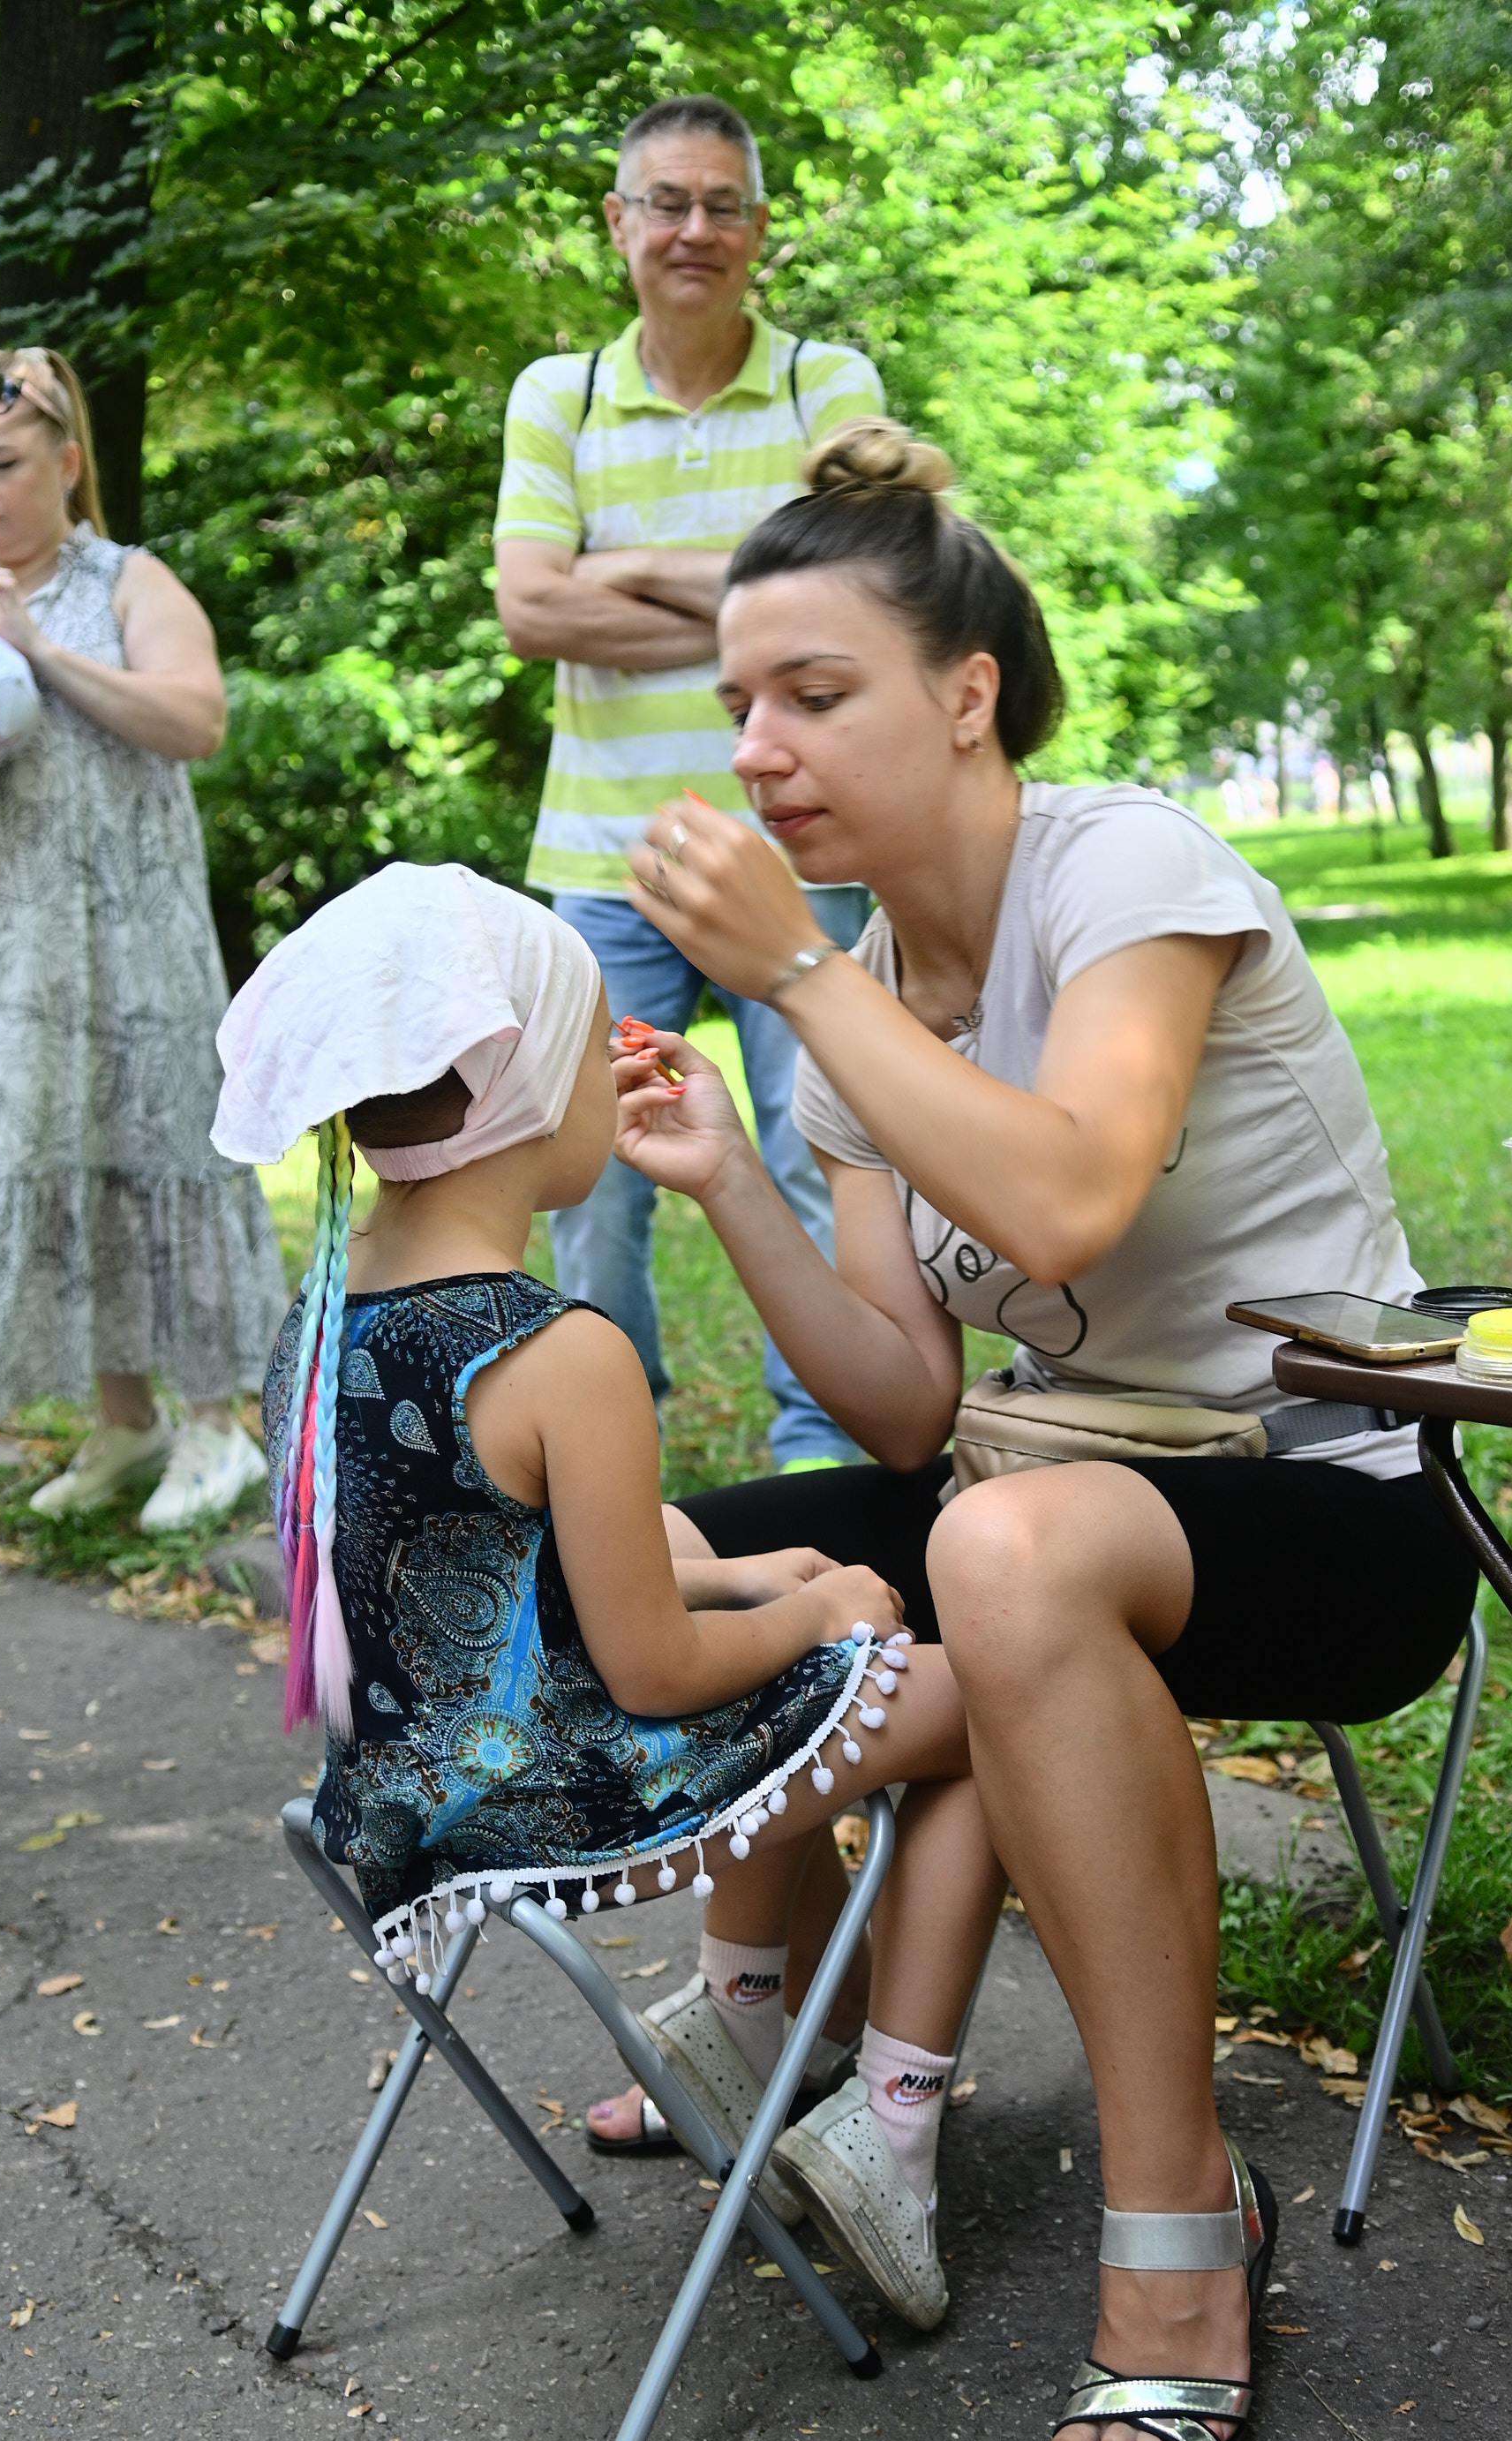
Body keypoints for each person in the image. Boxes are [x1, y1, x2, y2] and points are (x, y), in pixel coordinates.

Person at [600, 418, 1480, 2441]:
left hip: (1323, 1502)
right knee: (641, 1552)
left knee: (997, 1555)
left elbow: (1075, 1195)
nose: (762, 748)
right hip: (1030, 1495)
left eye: (817, 693)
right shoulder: (845, 1013)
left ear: (967, 692)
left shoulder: (1126, 876)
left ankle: (1180, 2242)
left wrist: (792, 974)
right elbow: (903, 1400)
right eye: (738, 705)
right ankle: (802, 2026)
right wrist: (735, 1178)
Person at [210, 863, 1004, 2330]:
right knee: (976, 1695)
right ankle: (889, 2114)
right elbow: (649, 1672)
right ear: (520, 1094)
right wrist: (818, 1616)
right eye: (598, 1045)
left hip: (394, 1803)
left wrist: (755, 1570)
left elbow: (500, 1555)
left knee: (811, 1658)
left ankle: (752, 2030)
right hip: (556, 1790)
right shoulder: (555, 1347)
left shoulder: (316, 1319)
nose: (622, 1062)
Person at [493, 91, 883, 1474]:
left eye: (724, 204)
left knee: (823, 1158)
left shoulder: (825, 387)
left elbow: (864, 594)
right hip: (605, 864)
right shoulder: (563, 395)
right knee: (588, 1185)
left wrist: (626, 572)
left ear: (760, 228)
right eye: (667, 202)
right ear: (619, 223)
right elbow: (530, 611)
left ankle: (823, 1462)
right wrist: (759, 602)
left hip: (806, 855)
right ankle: (610, 1472)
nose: (695, 230)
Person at [0, 345, 285, 1527]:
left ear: (67, 462)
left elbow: (196, 718)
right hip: (11, 947)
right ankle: (124, 1421)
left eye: (2, 463)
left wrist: (41, 653)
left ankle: (219, 1428)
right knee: (63, 1158)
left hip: (135, 938)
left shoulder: (124, 582)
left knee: (159, 1152)